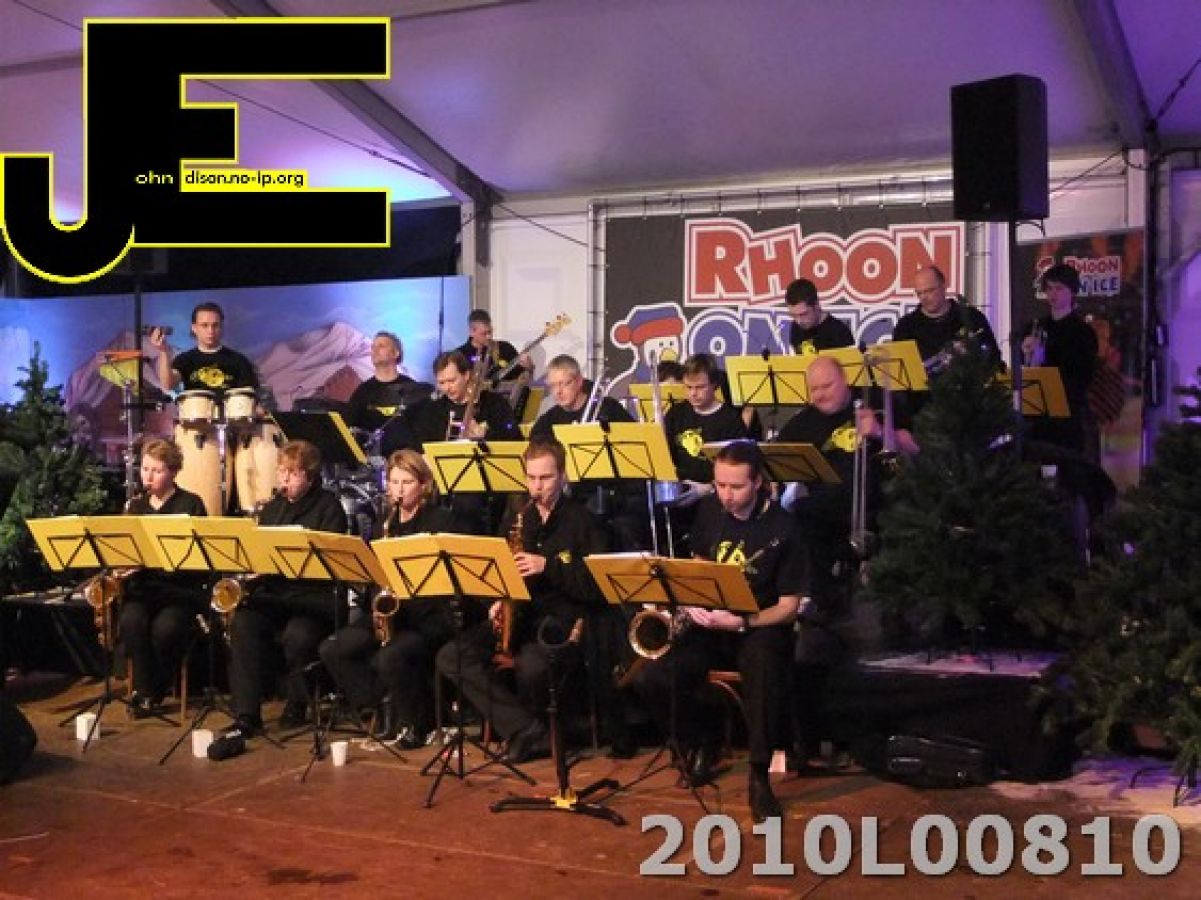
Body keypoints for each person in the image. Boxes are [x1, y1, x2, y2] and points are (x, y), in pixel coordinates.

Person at [630, 440, 807, 822]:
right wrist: (692, 601)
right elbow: (698, 564)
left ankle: (758, 774)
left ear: (758, 483)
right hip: (711, 624)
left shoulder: (784, 527)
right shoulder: (711, 510)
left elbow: (789, 607)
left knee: (763, 667)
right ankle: (699, 741)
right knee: (652, 678)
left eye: (736, 487)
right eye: (720, 485)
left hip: (757, 625)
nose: (726, 495)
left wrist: (743, 621)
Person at [775, 355, 915, 764]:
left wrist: (881, 432)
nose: (820, 395)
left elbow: (913, 448)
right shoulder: (801, 424)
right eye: (814, 389)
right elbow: (776, 463)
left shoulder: (873, 403)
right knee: (797, 518)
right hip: (820, 518)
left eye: (828, 387)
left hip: (872, 507)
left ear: (845, 380)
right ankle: (813, 604)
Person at [434, 438, 609, 764]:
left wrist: (548, 566)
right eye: (531, 478)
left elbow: (594, 586)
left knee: (532, 667)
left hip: (561, 618)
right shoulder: (519, 517)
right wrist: (498, 599)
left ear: (563, 476)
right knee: (451, 656)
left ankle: (537, 732)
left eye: (545, 478)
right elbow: (500, 566)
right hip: (520, 613)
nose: (536, 486)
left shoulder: (583, 520)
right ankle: (525, 728)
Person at [318, 450, 458, 748]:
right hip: (393, 612)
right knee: (333, 649)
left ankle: (416, 724)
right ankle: (378, 706)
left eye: (407, 482)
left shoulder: (440, 521)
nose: (399, 490)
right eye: (394, 482)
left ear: (424, 485)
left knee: (390, 656)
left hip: (428, 616)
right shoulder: (386, 522)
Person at [221, 440, 348, 744]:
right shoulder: (273, 509)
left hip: (314, 599)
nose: (284, 479)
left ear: (310, 476)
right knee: (244, 623)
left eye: (292, 473)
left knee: (298, 636)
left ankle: (297, 702)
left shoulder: (329, 507)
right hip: (277, 595)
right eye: (281, 472)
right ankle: (247, 715)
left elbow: (330, 567)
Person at [118, 439, 208, 719]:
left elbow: (199, 561)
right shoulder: (135, 506)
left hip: (179, 591)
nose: (148, 476)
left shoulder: (190, 504)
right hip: (144, 589)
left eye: (156, 471)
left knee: (165, 629)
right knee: (131, 621)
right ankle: (147, 692)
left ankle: (151, 691)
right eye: (145, 469)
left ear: (173, 471)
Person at [662, 353, 759, 509]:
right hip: (681, 489)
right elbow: (665, 457)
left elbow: (737, 468)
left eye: (700, 387)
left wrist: (709, 488)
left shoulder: (729, 419)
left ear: (714, 385)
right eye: (688, 387)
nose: (693, 393)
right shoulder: (675, 413)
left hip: (714, 493)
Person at [1021, 263, 1098, 455]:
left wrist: (1044, 357)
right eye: (1049, 288)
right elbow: (1026, 370)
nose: (1052, 294)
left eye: (1059, 288)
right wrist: (1025, 354)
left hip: (1067, 416)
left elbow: (1083, 376)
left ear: (1072, 292)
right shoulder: (1036, 326)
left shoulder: (1083, 332)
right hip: (1037, 416)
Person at [345, 331, 432, 456]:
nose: (375, 350)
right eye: (373, 347)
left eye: (381, 346)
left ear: (396, 353)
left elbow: (422, 428)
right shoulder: (363, 391)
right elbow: (352, 428)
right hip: (372, 458)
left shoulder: (412, 388)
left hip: (405, 458)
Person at [151, 301, 258, 395]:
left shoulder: (239, 361)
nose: (210, 331)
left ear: (221, 327)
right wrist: (163, 351)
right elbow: (168, 385)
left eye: (215, 325)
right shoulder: (185, 360)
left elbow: (248, 399)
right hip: (195, 412)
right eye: (204, 325)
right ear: (194, 328)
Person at [453, 309, 533, 385]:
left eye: (490, 332)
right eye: (484, 334)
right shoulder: (459, 355)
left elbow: (522, 378)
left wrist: (529, 367)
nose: (489, 336)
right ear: (471, 332)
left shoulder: (505, 348)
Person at [784, 278, 854, 355]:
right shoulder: (795, 327)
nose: (799, 321)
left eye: (803, 314)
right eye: (793, 315)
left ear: (816, 305)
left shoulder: (839, 332)